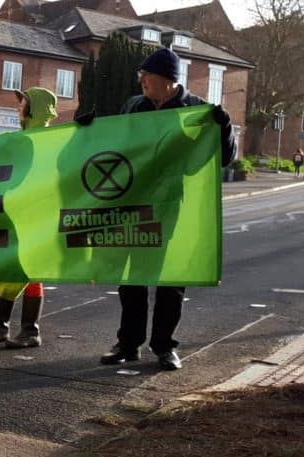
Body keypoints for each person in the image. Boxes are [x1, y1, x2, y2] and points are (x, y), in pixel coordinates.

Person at [94, 48, 236, 371]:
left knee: (170, 279)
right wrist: (91, 130)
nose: (141, 80)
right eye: (140, 75)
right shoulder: (134, 106)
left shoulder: (197, 110)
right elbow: (114, 145)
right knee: (132, 278)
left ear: (169, 80)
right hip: (135, 204)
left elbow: (224, 159)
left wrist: (224, 127)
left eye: (147, 75)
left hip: (173, 207)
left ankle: (164, 346)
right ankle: (128, 344)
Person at [0, 87, 57, 348]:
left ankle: (30, 332)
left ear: (33, 108)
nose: (17, 108)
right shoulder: (21, 138)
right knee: (10, 267)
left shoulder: (50, 139)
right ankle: (1, 328)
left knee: (31, 271)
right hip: (17, 214)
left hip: (38, 216)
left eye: (21, 104)